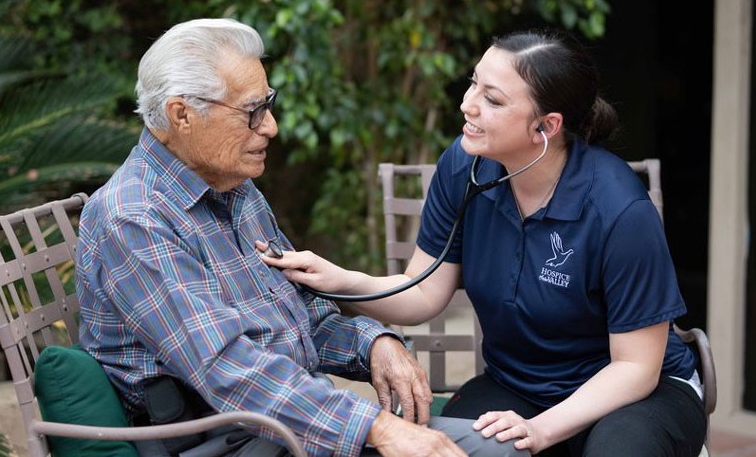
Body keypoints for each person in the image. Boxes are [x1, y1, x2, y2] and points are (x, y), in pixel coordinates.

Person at [75, 18, 526, 457]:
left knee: (498, 447)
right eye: (253, 112)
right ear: (182, 115)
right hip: (223, 439)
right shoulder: (134, 218)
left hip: (288, 425)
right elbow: (227, 368)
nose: (270, 126)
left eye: (268, 105)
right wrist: (375, 426)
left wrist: (374, 342)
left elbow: (300, 317)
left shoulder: (233, 189)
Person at [260, 29, 708, 456]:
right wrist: (340, 279)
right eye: (473, 85)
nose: (466, 105)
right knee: (440, 451)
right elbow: (421, 291)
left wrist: (541, 430)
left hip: (636, 395)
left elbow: (636, 368)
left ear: (545, 127)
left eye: (491, 99)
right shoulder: (464, 166)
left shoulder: (619, 210)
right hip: (519, 385)